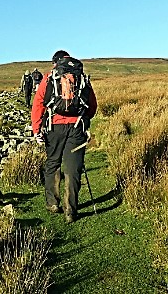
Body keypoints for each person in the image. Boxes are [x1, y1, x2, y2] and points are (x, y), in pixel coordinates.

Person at [31, 50, 97, 223]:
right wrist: (83, 118)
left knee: (53, 163)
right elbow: (92, 106)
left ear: (55, 63)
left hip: (54, 127)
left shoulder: (49, 78)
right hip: (77, 128)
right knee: (73, 168)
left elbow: (38, 104)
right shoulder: (80, 76)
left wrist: (37, 130)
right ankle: (71, 211)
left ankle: (53, 203)